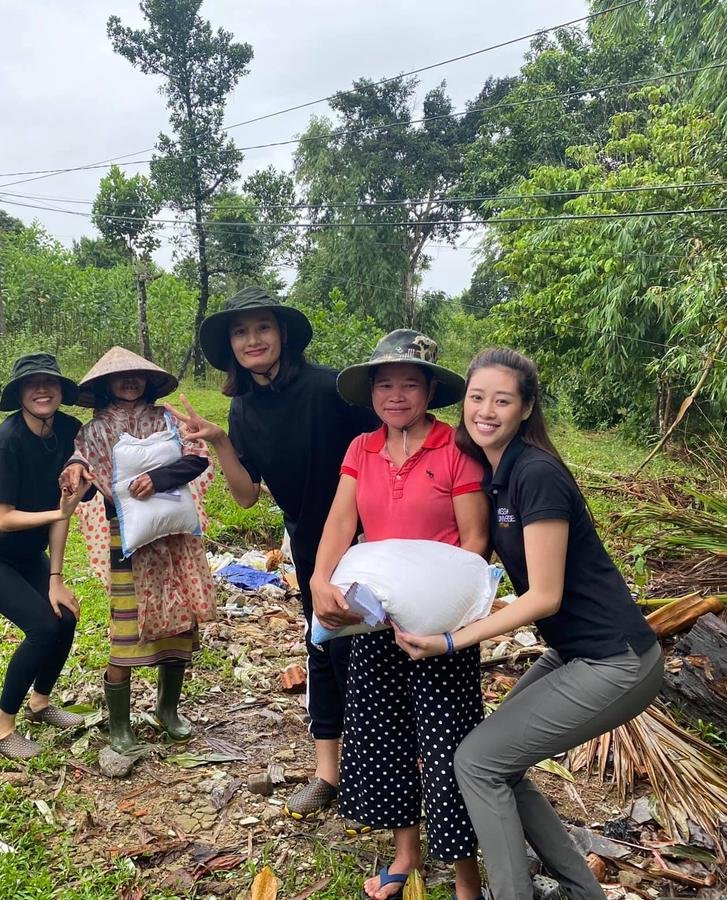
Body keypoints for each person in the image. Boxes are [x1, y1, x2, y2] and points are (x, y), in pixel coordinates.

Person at [394, 347, 663, 900]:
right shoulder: (494, 472)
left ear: (525, 408)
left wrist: (450, 640)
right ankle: (581, 890)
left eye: (502, 400)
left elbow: (544, 595)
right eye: (476, 397)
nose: (486, 410)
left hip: (616, 661)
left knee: (477, 761)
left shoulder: (536, 473)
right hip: (572, 654)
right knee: (498, 764)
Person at [165, 285, 377, 821]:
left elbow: (381, 452)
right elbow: (245, 494)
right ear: (231, 345)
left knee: (378, 651)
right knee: (325, 646)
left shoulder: (332, 388)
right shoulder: (242, 410)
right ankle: (329, 773)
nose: (252, 339)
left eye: (262, 327)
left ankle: (386, 767)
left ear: (283, 334)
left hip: (370, 538)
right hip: (309, 542)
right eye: (240, 331)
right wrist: (218, 440)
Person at [311, 329, 490, 900]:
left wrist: (436, 609)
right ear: (371, 393)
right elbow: (341, 525)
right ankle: (405, 854)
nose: (395, 395)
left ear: (430, 389)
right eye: (384, 384)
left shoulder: (456, 448)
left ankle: (467, 877)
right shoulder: (361, 448)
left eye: (408, 384)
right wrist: (318, 580)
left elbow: (474, 541)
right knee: (385, 738)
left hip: (439, 626)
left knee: (447, 748)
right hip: (374, 620)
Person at [59, 347, 217, 753]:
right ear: (105, 386)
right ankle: (120, 725)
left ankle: (168, 711)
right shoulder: (93, 431)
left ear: (148, 381)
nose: (129, 383)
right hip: (127, 539)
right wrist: (75, 468)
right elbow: (83, 463)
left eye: (136, 376)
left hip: (174, 537)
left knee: (179, 625)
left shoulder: (166, 418)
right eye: (120, 377)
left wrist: (158, 478)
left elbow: (196, 460)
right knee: (125, 629)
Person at [0, 353, 93, 760]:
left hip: (27, 548)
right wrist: (62, 511)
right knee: (43, 626)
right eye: (32, 383)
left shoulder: (69, 431)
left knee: (65, 615)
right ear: (20, 394)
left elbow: (66, 505)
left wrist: (56, 579)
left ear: (61, 391)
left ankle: (40, 703)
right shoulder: (7, 440)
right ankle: (2, 729)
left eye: (50, 382)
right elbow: (4, 518)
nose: (42, 389)